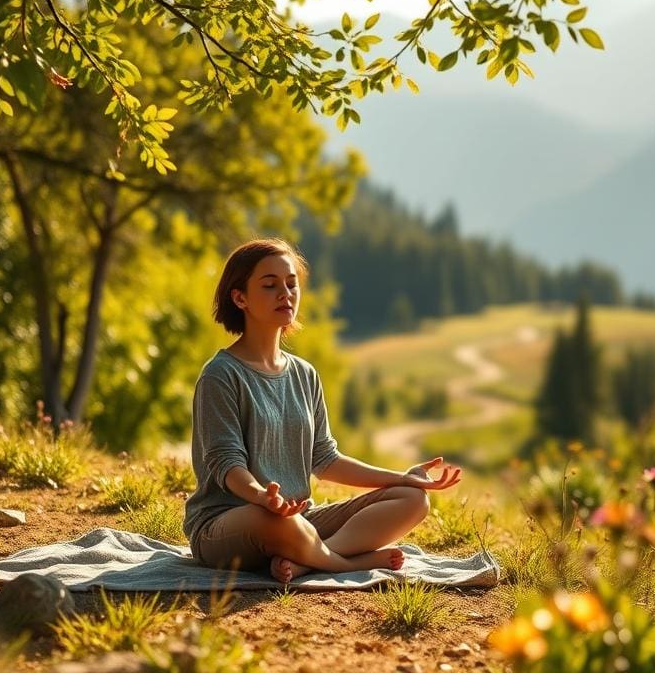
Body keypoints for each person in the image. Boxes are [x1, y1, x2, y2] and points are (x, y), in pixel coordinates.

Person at [183, 238, 461, 583]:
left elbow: (326, 460)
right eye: (269, 285)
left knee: (413, 500)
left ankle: (305, 560)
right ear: (240, 298)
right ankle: (342, 562)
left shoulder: (304, 374)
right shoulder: (220, 375)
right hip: (228, 525)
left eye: (291, 283)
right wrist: (262, 497)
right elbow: (227, 464)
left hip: (298, 521)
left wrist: (401, 477)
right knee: (274, 521)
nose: (285, 294)